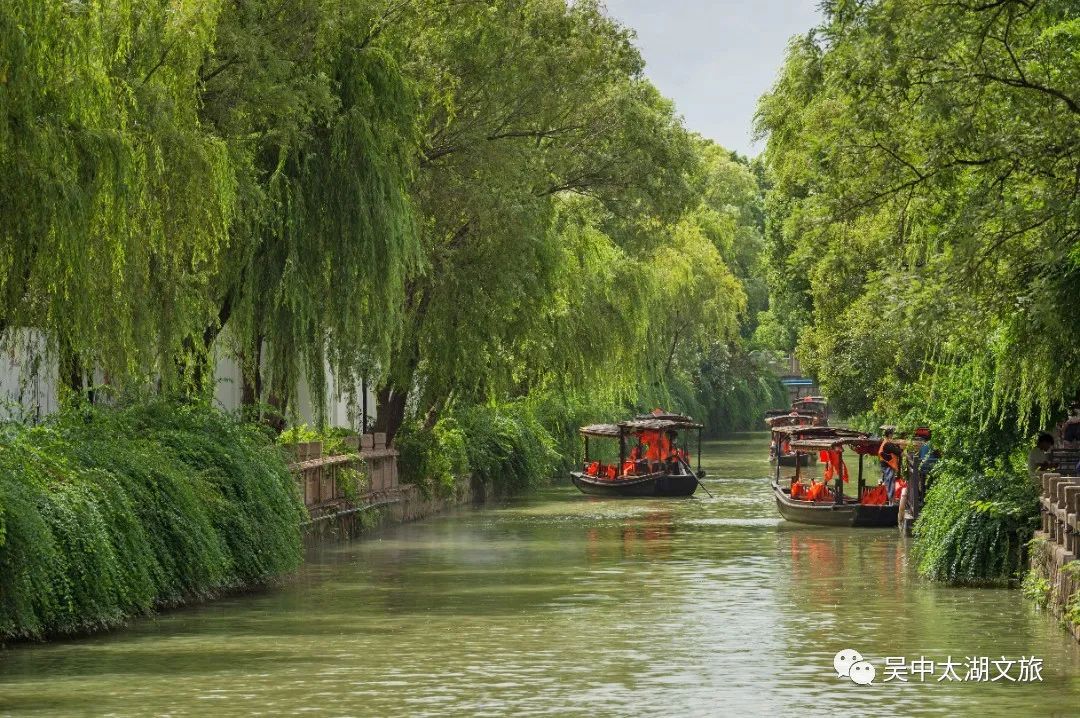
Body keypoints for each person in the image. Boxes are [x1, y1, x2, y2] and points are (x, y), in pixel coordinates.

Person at [877, 427, 902, 503]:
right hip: (887, 466)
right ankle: (891, 502)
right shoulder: (887, 444)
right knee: (890, 483)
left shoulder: (886, 442)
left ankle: (891, 500)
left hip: (886, 465)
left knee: (889, 482)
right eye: (892, 434)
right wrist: (901, 449)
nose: (893, 435)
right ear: (889, 435)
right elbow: (898, 452)